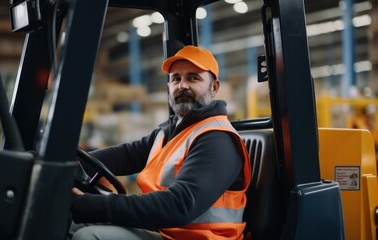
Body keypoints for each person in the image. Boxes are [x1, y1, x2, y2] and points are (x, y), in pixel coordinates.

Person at [70, 45, 251, 240]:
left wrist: (87, 204)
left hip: (196, 237)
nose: (182, 85)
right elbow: (127, 156)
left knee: (89, 237)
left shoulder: (217, 138)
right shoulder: (170, 131)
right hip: (165, 230)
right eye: (176, 78)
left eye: (193, 78)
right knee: (69, 223)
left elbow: (179, 204)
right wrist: (69, 166)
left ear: (214, 87)